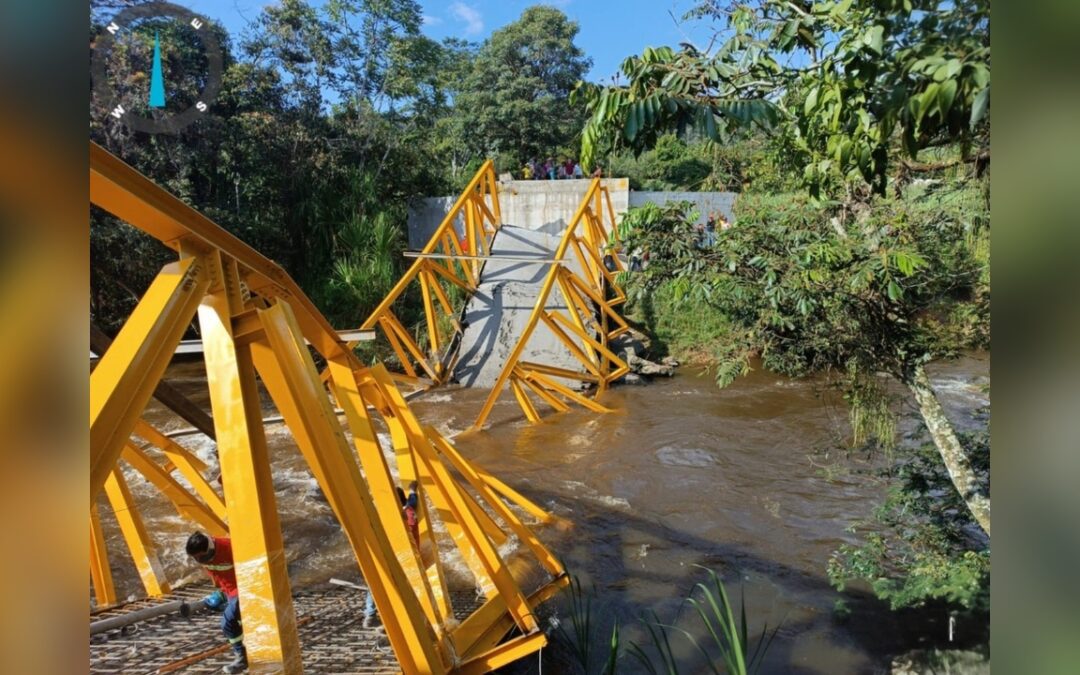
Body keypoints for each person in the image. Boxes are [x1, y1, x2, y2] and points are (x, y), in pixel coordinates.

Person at [187, 532, 247, 674]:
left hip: (243, 588)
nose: (198, 559)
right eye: (195, 557)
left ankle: (242, 658)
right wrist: (222, 592)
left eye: (200, 556)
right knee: (232, 616)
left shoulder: (230, 548)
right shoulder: (203, 557)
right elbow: (216, 575)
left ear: (209, 549)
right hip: (229, 591)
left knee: (227, 622)